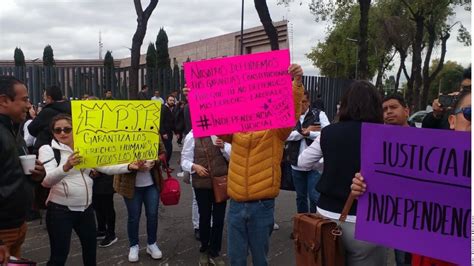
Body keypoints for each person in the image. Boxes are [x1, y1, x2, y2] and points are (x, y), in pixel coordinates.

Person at [351, 91, 471, 266]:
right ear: (452, 121)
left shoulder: (426, 144)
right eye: (470, 113)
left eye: (394, 107)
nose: (389, 112)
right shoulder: (432, 158)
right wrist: (364, 188)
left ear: (406, 111)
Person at [218, 64, 304, 266]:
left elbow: (290, 113)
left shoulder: (276, 130)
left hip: (262, 206)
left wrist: (296, 84)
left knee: (260, 260)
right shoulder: (236, 129)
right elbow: (216, 120)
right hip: (236, 205)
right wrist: (196, 97)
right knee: (236, 260)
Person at [298, 80, 388, 266]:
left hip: (326, 217)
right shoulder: (387, 135)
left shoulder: (329, 133)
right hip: (369, 219)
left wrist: (328, 165)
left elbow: (303, 162)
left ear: (345, 104)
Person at [39, 114, 143, 266]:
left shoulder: (85, 147)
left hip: (86, 209)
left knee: (90, 253)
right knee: (59, 256)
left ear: (76, 130)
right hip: (60, 210)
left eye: (67, 129)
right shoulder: (48, 149)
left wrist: (128, 166)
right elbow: (46, 181)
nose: (62, 133)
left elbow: (105, 167)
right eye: (57, 130)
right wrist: (66, 166)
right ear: (52, 132)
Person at [0, 76, 46, 265]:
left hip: (18, 224)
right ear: (4, 100)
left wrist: (37, 174)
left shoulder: (13, 128)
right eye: (25, 99)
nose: (29, 105)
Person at [113, 137, 167, 263]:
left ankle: (151, 244)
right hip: (130, 185)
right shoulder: (121, 134)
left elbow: (163, 153)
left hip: (151, 184)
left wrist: (155, 161)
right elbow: (114, 158)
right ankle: (133, 245)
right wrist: (132, 165)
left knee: (152, 215)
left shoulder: (152, 130)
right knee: (133, 217)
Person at [181, 131, 231, 266]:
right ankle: (204, 249)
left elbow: (232, 156)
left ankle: (215, 251)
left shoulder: (222, 133)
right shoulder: (192, 136)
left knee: (219, 219)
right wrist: (194, 166)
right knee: (204, 217)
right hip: (202, 184)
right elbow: (184, 160)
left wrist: (223, 147)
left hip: (220, 182)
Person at [285, 90, 329, 214]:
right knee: (300, 197)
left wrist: (310, 133)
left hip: (314, 164)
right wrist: (301, 133)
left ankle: (315, 226)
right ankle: (302, 226)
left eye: (304, 101)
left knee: (314, 196)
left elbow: (327, 133)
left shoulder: (319, 114)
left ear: (309, 102)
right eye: (298, 102)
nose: (301, 105)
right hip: (296, 163)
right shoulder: (290, 116)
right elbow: (285, 136)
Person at [28, 85, 71, 154]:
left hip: (46, 148)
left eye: (44, 97)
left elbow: (31, 128)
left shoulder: (47, 112)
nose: (44, 100)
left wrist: (34, 117)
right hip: (67, 148)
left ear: (49, 98)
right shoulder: (72, 109)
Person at [90, 169, 117, 248]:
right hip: (93, 178)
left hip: (106, 177)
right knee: (97, 206)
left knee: (107, 207)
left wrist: (99, 171)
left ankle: (111, 234)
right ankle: (102, 229)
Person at [160, 95, 176, 166]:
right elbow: (160, 121)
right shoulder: (164, 109)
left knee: (168, 149)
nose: (172, 102)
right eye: (170, 100)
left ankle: (165, 165)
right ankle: (165, 165)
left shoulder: (171, 108)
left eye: (173, 100)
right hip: (165, 133)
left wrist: (176, 132)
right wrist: (163, 133)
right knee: (168, 149)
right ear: (166, 101)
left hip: (169, 132)